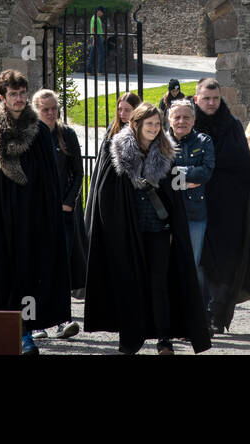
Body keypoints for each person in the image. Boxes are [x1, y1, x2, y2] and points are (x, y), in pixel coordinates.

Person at [85, 103, 211, 355]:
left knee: (159, 283)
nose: (154, 128)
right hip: (128, 232)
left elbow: (173, 196)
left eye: (157, 123)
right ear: (136, 124)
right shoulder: (117, 153)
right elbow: (105, 195)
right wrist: (115, 230)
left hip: (159, 230)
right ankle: (130, 339)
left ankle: (164, 338)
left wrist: (175, 228)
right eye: (149, 123)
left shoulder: (165, 153)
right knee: (129, 284)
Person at [0, 69, 70, 355]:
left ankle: (25, 333)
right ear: (2, 97)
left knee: (28, 274)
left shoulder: (40, 133)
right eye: (13, 94)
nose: (20, 99)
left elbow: (49, 180)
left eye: (23, 93)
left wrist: (46, 216)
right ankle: (3, 333)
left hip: (31, 216)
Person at [191, 77, 250, 334]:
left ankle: (216, 313)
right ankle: (197, 313)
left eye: (215, 98)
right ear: (197, 99)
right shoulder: (187, 122)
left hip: (227, 204)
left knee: (224, 261)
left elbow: (242, 165)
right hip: (195, 203)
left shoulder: (232, 125)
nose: (211, 103)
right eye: (206, 98)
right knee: (197, 260)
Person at [31, 88, 85, 339]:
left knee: (60, 266)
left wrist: (68, 202)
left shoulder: (67, 135)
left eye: (54, 108)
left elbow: (78, 173)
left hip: (62, 214)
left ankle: (63, 319)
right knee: (37, 266)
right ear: (36, 111)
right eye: (46, 109)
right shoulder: (29, 136)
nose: (51, 113)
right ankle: (37, 321)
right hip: (36, 214)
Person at [166, 99, 214, 305]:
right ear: (169, 119)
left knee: (191, 265)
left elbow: (207, 171)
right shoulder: (161, 142)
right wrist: (188, 178)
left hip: (195, 215)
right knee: (168, 265)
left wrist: (179, 174)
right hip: (167, 214)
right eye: (177, 117)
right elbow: (160, 175)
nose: (181, 121)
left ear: (194, 119)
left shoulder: (204, 142)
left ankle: (192, 316)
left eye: (186, 117)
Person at [86, 92, 141, 230]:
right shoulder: (113, 128)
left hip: (129, 190)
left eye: (127, 110)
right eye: (120, 109)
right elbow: (104, 160)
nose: (122, 113)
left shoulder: (141, 130)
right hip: (108, 186)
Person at [88, 6, 107, 74]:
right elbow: (93, 28)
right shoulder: (95, 18)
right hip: (96, 37)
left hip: (97, 37)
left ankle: (89, 70)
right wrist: (94, 38)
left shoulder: (97, 18)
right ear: (99, 11)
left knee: (92, 54)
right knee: (101, 53)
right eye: (102, 12)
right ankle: (100, 71)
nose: (103, 14)